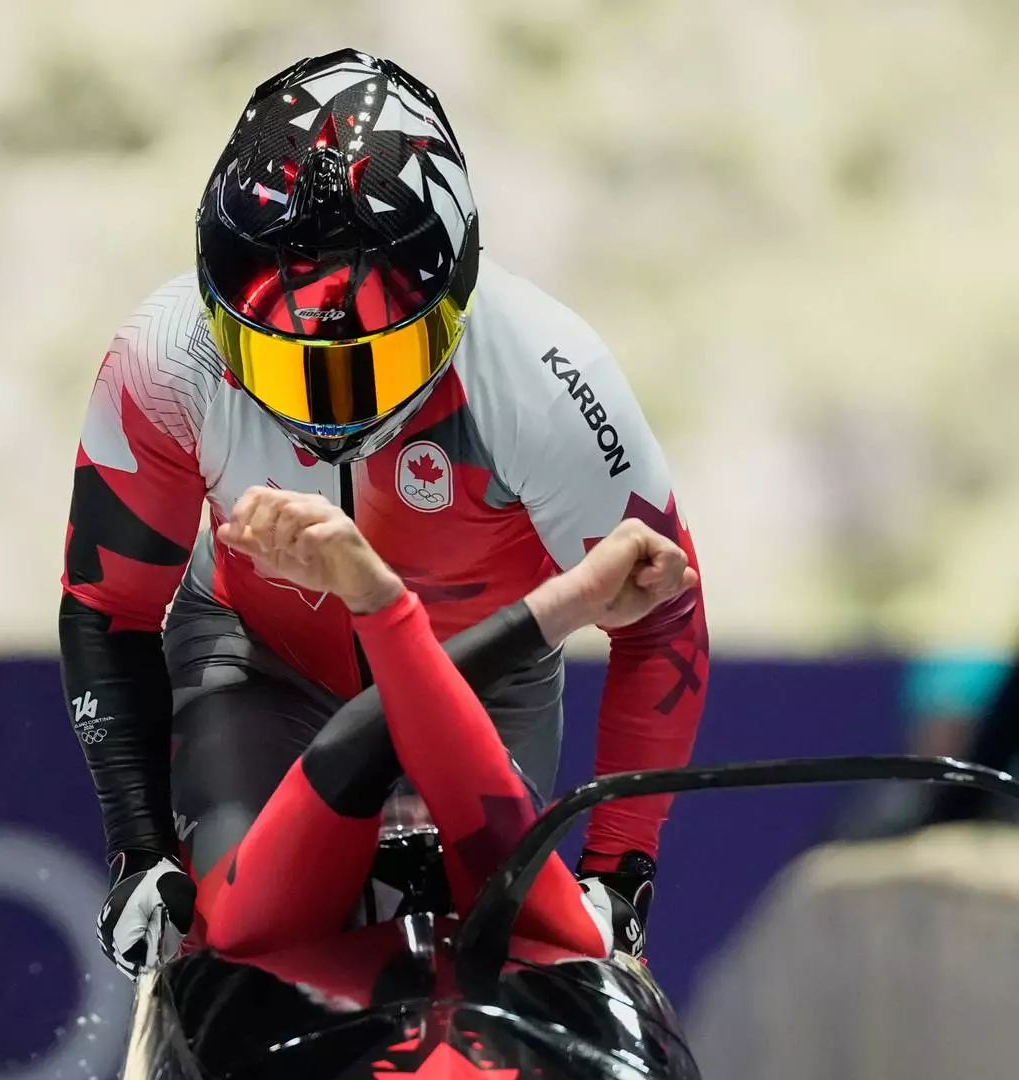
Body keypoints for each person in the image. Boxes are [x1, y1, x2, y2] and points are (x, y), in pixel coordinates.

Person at [59, 48, 708, 976]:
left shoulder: (547, 377)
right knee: (237, 937)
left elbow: (666, 619)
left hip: (476, 686)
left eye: (371, 362)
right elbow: (108, 610)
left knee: (498, 948)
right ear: (215, 315)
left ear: (458, 305)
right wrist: (142, 854)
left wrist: (621, 872)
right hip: (259, 663)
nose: (330, 411)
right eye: (283, 361)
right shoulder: (166, 363)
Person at [143, 487, 696, 962]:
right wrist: (563, 607)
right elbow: (383, 751)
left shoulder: (250, 928)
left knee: (230, 927)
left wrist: (377, 598)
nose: (404, 810)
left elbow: (361, 749)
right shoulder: (561, 932)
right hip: (260, 634)